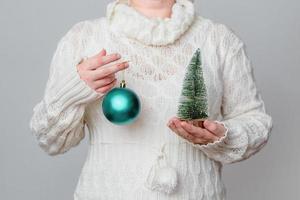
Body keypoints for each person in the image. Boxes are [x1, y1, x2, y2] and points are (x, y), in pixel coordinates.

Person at [29, 0, 273, 199]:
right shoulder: (83, 38)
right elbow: (51, 141)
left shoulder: (219, 39)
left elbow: (255, 121)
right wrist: (74, 89)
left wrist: (222, 134)